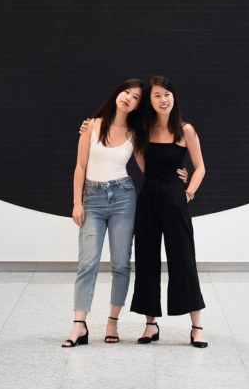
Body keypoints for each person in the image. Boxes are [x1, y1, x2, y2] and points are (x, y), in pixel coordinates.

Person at [61, 79, 144, 347]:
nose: (128, 98)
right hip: (92, 198)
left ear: (137, 107)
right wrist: (77, 202)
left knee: (121, 264)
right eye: (126, 92)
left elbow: (149, 169)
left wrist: (182, 173)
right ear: (117, 93)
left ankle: (112, 322)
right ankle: (78, 325)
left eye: (135, 98)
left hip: (123, 198)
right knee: (88, 263)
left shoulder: (135, 133)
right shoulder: (92, 125)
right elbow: (79, 167)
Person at [130, 75, 208, 348]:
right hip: (148, 198)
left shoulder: (185, 130)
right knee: (147, 259)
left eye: (167, 94)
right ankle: (151, 324)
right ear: (150, 101)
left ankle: (196, 327)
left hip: (176, 200)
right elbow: (142, 163)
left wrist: (187, 193)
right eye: (157, 96)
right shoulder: (142, 129)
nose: (163, 100)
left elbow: (200, 167)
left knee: (183, 259)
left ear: (173, 98)